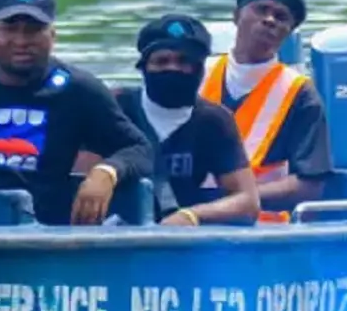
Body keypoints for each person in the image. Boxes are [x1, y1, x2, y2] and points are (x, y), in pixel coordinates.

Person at [0, 0, 153, 226]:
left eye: (33, 30)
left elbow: (139, 148)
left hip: (44, 230)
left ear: (52, 36)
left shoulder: (79, 90)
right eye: (10, 29)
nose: (21, 40)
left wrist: (107, 172)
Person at [110, 14, 259, 226]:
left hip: (183, 238)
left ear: (200, 69)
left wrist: (193, 215)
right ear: (144, 67)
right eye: (162, 61)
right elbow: (81, 180)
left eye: (184, 61)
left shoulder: (214, 121)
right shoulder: (115, 107)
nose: (173, 69)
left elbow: (247, 202)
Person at [200, 0, 333, 209]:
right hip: (186, 220)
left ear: (288, 31)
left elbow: (309, 185)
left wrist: (231, 201)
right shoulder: (197, 75)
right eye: (261, 10)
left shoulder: (300, 93)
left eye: (281, 17)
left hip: (264, 229)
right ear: (236, 16)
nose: (270, 20)